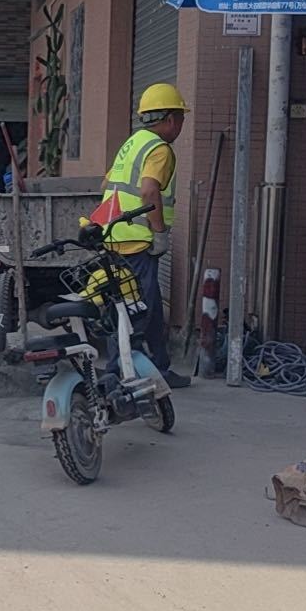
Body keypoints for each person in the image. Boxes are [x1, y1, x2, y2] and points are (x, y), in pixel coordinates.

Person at [100, 83, 190, 390]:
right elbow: (149, 190)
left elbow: (106, 185)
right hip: (136, 242)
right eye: (181, 118)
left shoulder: (133, 143)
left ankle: (160, 367)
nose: (181, 125)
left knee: (147, 306)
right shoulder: (160, 150)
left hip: (114, 237)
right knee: (137, 309)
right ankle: (116, 373)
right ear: (170, 119)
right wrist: (159, 232)